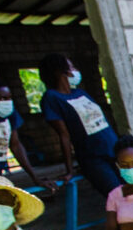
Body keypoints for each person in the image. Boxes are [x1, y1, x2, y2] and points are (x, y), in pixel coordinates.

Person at [39, 53, 120, 197]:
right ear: (59, 71)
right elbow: (64, 135)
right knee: (117, 196)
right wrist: (69, 170)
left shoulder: (80, 93)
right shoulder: (52, 98)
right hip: (94, 157)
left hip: (114, 150)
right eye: (71, 67)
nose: (75, 70)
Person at [0, 78, 53, 190]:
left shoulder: (9, 112)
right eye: (3, 98)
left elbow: (15, 145)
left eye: (9, 98)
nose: (8, 102)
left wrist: (35, 178)